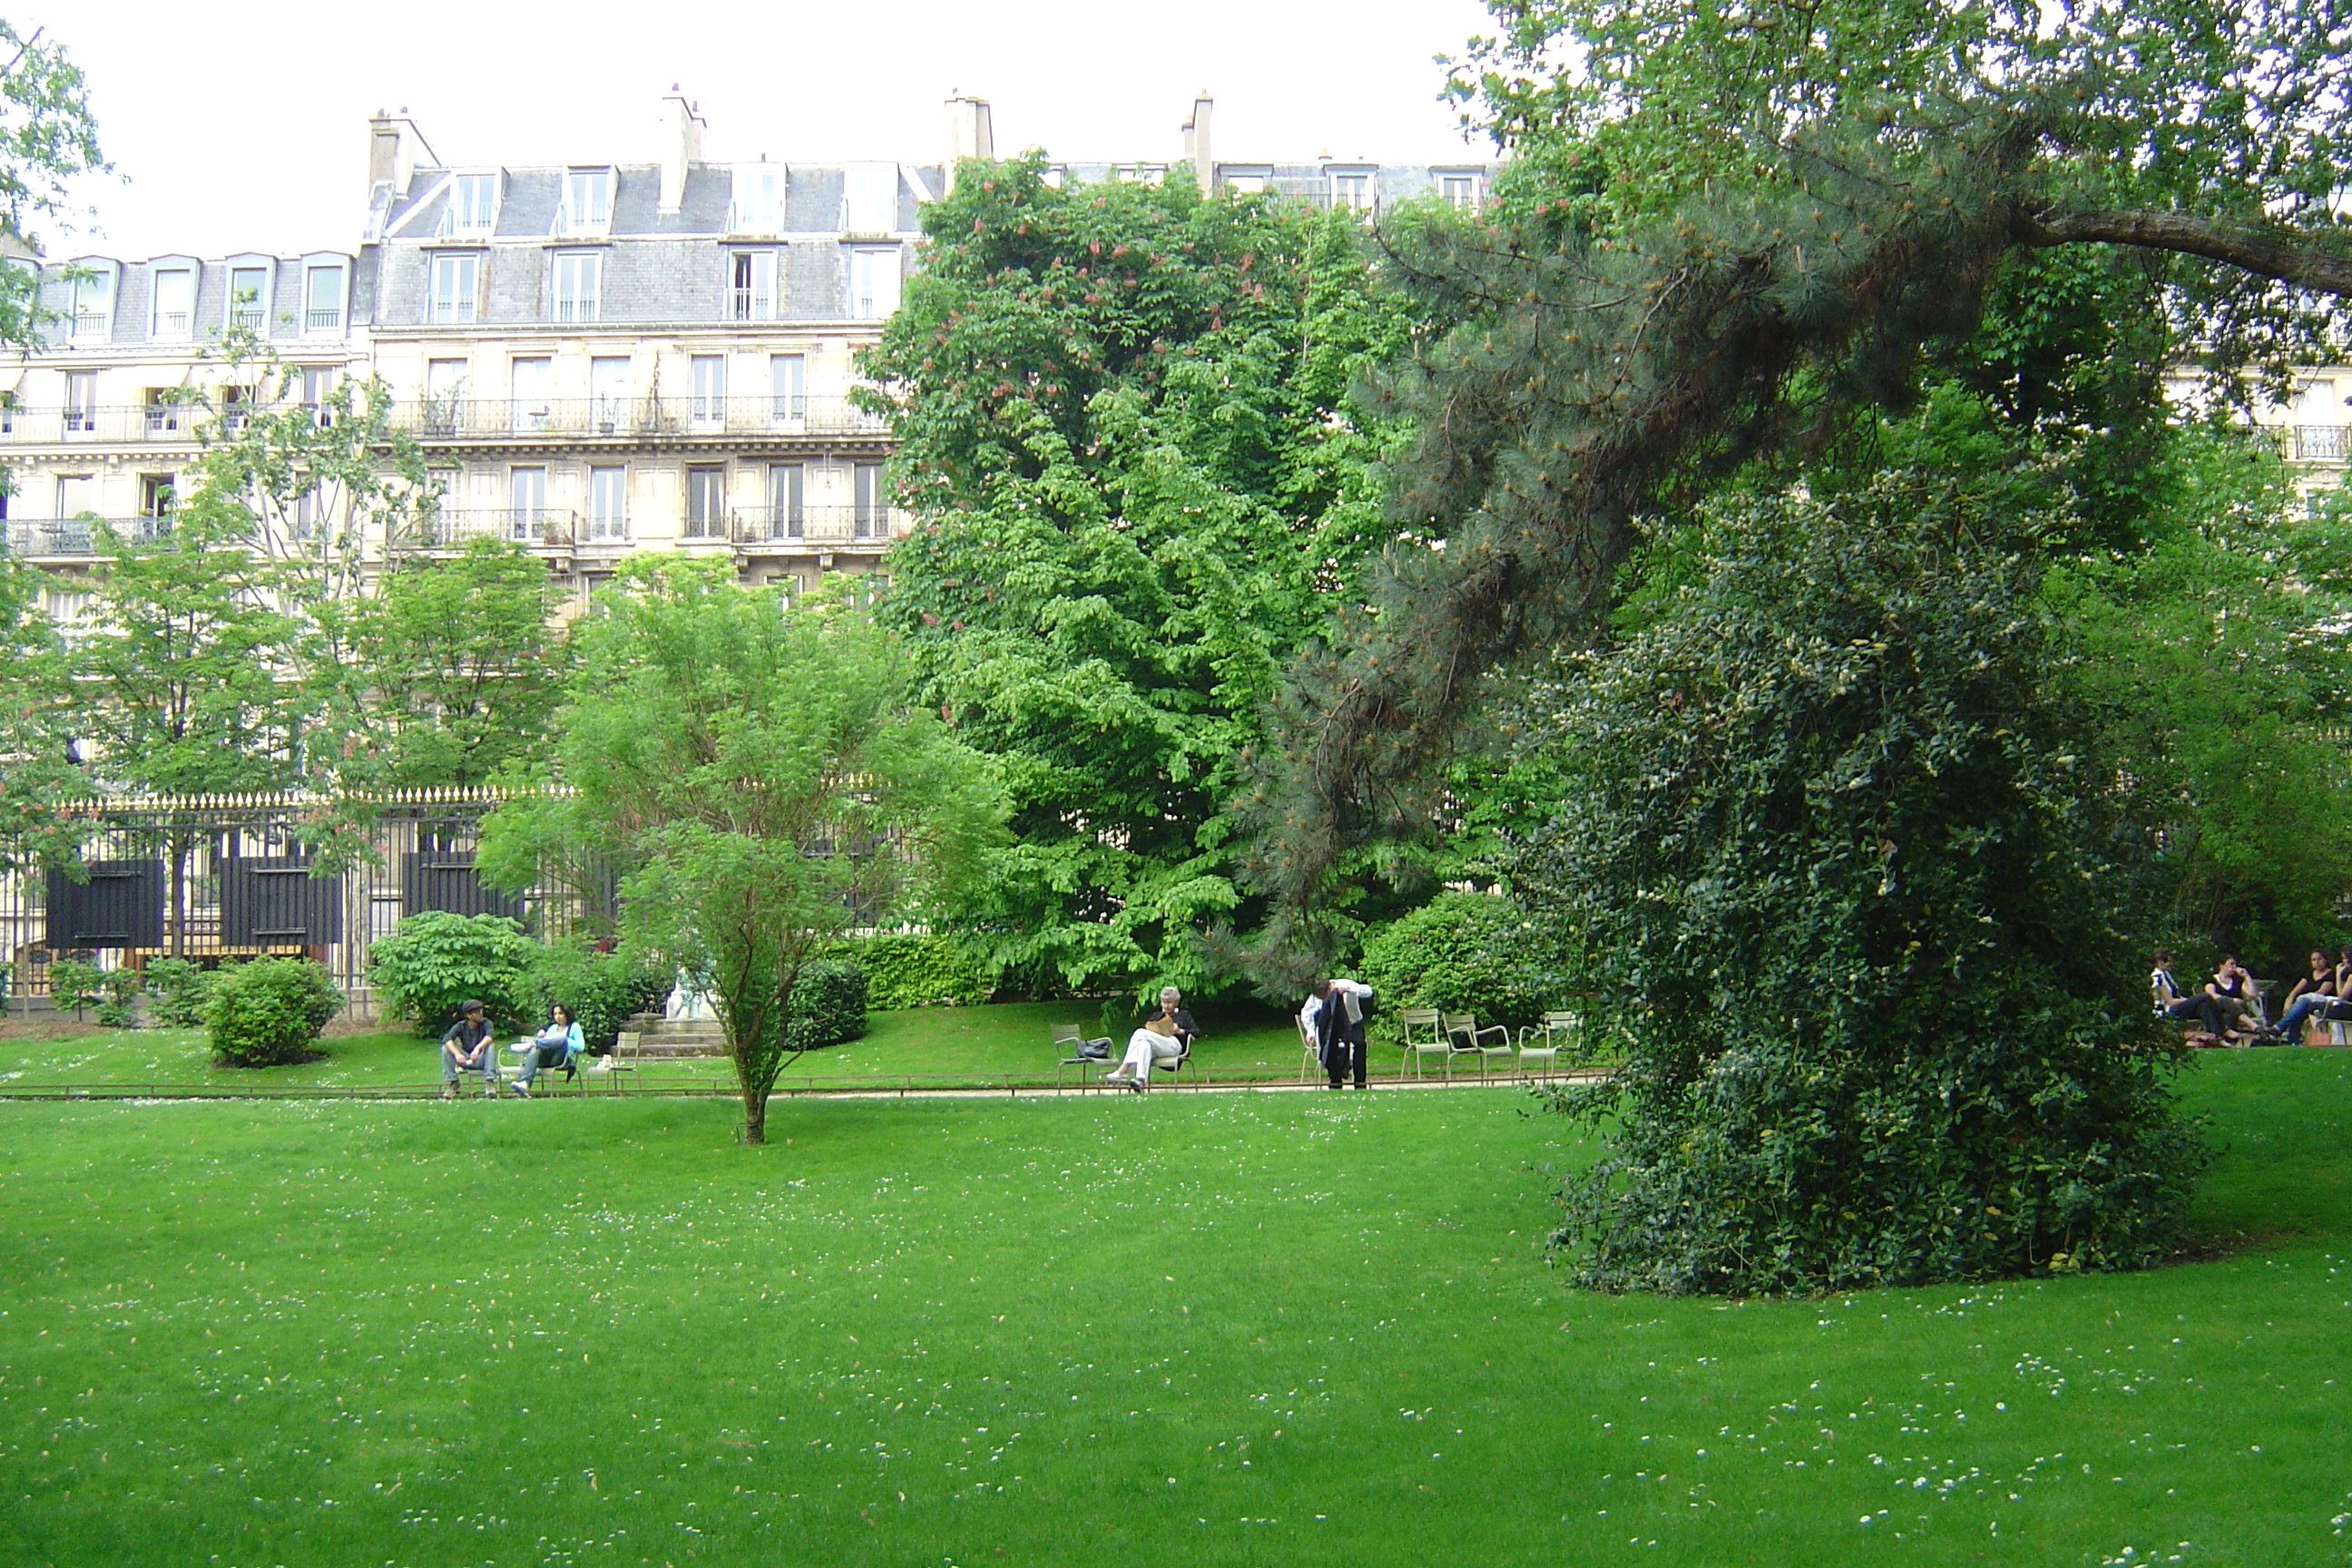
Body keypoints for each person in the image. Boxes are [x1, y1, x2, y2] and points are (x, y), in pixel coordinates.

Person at [1300, 976, 1375, 1089]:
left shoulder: (1345, 983)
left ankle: (1360, 1083)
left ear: (1331, 986)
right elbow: (1307, 1012)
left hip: (1353, 1023)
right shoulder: (1318, 995)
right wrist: (1310, 1031)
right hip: (1335, 1027)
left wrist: (1349, 989)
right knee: (1332, 1050)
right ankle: (1335, 1082)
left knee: (1359, 1047)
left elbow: (1368, 991)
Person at [509, 1002, 585, 1096]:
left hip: (560, 1058)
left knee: (562, 1038)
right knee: (536, 1049)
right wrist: (542, 1037)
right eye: (555, 1014)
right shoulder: (553, 1028)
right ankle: (525, 1083)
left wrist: (565, 1040)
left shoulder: (574, 1027)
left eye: (560, 1013)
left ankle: (531, 1044)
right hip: (546, 1057)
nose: (558, 1017)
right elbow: (546, 1044)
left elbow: (581, 1046)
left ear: (567, 1014)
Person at [1102, 1013, 1184, 1093]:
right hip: (1157, 1045)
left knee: (1140, 1033)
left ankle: (1124, 1069)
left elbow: (1195, 1032)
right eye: (1164, 1003)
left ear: (1176, 1002)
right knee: (1144, 1045)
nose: (1167, 1005)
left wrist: (1180, 1030)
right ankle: (1140, 1081)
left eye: (1169, 1003)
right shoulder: (1158, 1014)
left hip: (1174, 1045)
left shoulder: (1183, 1015)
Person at [2151, 952, 2222, 1040]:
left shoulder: (2167, 975)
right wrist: (2190, 1000)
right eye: (2169, 961)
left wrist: (2189, 1001)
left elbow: (2177, 996)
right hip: (2168, 1011)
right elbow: (2171, 1002)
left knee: (2203, 1007)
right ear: (2160, 962)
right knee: (2205, 996)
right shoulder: (2158, 978)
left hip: (2176, 1006)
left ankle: (2215, 1036)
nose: (2171, 964)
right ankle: (2223, 1030)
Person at [2273, 950, 2338, 1044]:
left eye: (2319, 959)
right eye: (2314, 960)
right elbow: (2295, 991)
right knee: (2298, 1007)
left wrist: (2303, 1000)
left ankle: (2280, 1029)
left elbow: (2321, 992)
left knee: (2302, 1002)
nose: (2317, 962)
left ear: (2325, 960)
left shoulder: (2331, 974)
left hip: (2323, 1003)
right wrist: (2289, 1000)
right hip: (2308, 1004)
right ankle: (2291, 1038)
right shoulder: (2309, 975)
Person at [438, 999, 499, 1098]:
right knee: (446, 1048)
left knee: (490, 1046)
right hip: (466, 1059)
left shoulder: (486, 1023)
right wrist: (457, 1054)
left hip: (482, 1059)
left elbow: (490, 1037)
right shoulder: (460, 1026)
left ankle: (489, 1083)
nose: (481, 1014)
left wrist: (477, 1049)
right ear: (469, 1015)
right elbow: (446, 1039)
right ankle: (454, 1083)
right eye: (477, 1012)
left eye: (481, 1011)